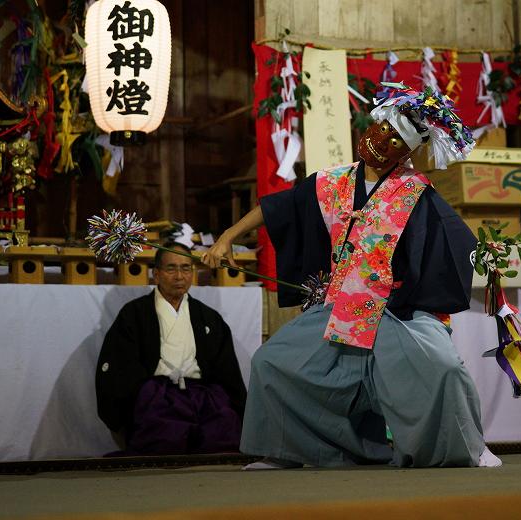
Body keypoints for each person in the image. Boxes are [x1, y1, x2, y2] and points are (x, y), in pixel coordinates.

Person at [203, 83, 501, 469]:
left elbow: (451, 239)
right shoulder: (334, 181)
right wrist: (227, 236)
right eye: (381, 129)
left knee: (444, 368)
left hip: (398, 310)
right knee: (272, 363)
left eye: (395, 139)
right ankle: (288, 451)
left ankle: (472, 447)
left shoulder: (415, 192)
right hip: (341, 307)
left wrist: (485, 257)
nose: (382, 140)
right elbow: (281, 207)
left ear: (407, 152)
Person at [96, 241, 247, 455]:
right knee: (163, 437)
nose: (179, 276)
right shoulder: (135, 314)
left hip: (200, 395)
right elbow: (121, 369)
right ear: (156, 274)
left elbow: (227, 371)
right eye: (171, 268)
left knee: (224, 431)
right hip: (159, 395)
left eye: (186, 268)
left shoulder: (208, 318)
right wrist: (141, 398)